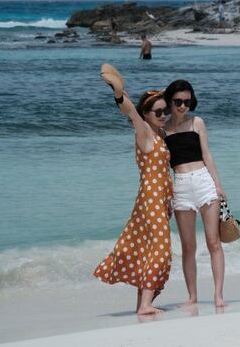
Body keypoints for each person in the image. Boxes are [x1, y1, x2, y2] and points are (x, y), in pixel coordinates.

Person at [94, 67, 174, 316]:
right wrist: (117, 92)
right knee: (161, 249)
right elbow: (128, 109)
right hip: (149, 199)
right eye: (158, 112)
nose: (163, 115)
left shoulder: (159, 134)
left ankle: (143, 303)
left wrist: (169, 199)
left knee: (147, 248)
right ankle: (145, 305)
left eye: (165, 111)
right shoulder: (143, 130)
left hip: (158, 200)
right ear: (146, 114)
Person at [162, 79, 227, 308]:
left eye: (187, 102)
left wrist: (218, 186)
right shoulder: (163, 129)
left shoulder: (197, 122)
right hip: (179, 185)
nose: (182, 106)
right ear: (169, 101)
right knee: (188, 246)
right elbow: (162, 165)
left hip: (203, 181)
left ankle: (218, 295)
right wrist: (166, 194)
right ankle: (192, 297)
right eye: (178, 101)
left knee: (214, 242)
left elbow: (207, 155)